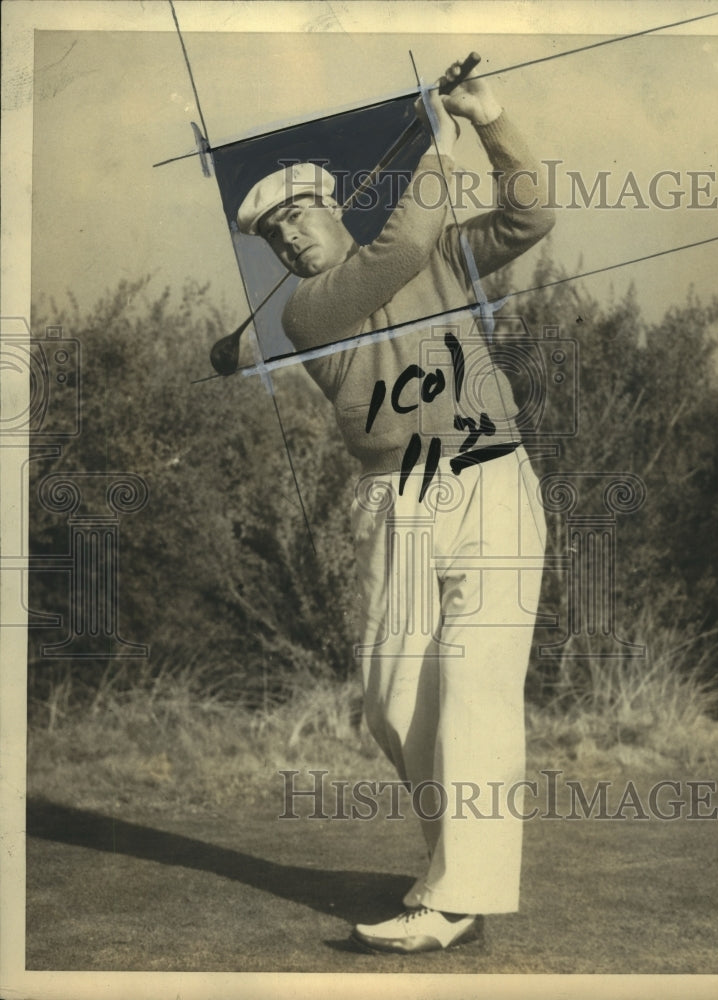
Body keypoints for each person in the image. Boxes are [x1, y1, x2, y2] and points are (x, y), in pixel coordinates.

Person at [237, 57, 554, 954]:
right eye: (273, 236)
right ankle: (454, 867)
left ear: (332, 206)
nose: (291, 241)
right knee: (392, 700)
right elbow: (402, 246)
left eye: (299, 215)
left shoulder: (441, 254)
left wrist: (486, 121)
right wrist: (433, 137)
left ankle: (456, 896)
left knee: (473, 689)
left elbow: (530, 214)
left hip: (489, 478)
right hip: (396, 497)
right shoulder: (308, 314)